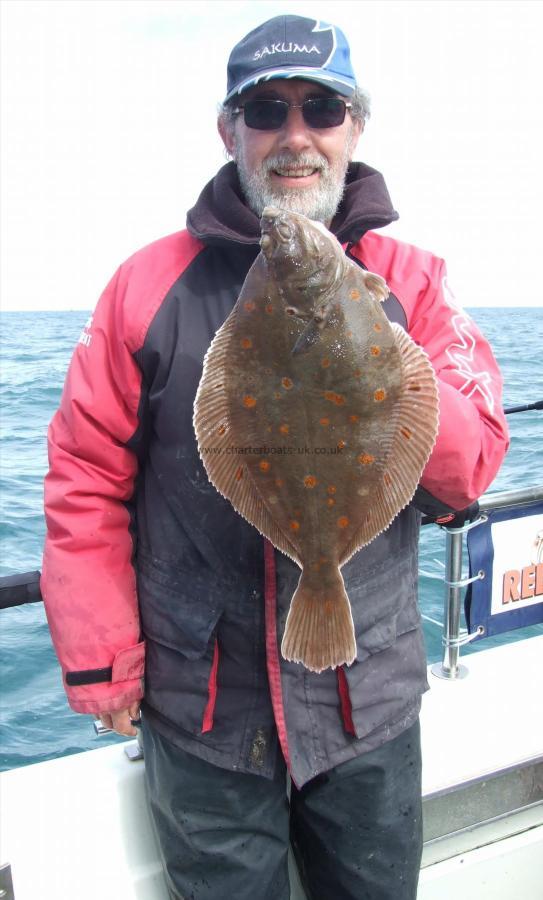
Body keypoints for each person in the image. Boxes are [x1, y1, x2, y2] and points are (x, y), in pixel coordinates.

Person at [42, 14, 509, 900]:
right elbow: (83, 474)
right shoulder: (148, 285)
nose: (295, 134)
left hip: (365, 706)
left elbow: (466, 474)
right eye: (266, 109)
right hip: (204, 711)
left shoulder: (411, 283)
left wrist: (388, 349)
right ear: (230, 132)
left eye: (321, 108)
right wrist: (103, 656)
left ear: (354, 127)